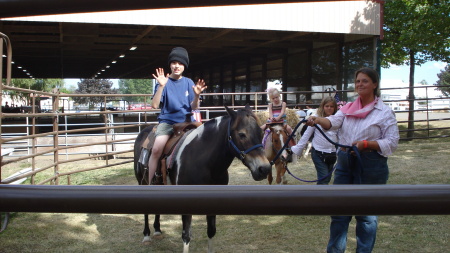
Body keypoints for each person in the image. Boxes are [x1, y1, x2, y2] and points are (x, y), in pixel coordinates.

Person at [306, 67, 399, 253]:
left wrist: (367, 144)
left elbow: (392, 142)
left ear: (374, 84)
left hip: (371, 165)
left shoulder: (384, 112)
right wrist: (317, 119)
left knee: (366, 216)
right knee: (339, 212)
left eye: (364, 81)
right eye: (357, 81)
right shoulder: (348, 108)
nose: (360, 84)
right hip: (345, 163)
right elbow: (332, 123)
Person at [148, 47, 207, 184]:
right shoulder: (164, 82)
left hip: (188, 122)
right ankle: (150, 182)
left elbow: (194, 107)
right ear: (170, 64)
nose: (177, 66)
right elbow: (155, 105)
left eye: (180, 63)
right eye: (174, 62)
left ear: (184, 66)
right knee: (157, 149)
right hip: (168, 122)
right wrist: (161, 86)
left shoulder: (189, 82)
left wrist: (197, 95)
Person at [290, 96, 338, 185]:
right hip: (319, 153)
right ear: (323, 106)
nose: (329, 108)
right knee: (323, 178)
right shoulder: (316, 118)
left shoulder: (337, 119)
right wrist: (298, 149)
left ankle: (320, 196)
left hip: (332, 153)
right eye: (327, 106)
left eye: (332, 106)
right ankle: (320, 197)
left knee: (327, 178)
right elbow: (307, 134)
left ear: (335, 108)